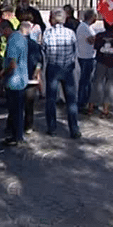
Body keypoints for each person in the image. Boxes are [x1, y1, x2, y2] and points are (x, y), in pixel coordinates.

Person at [43, 8, 81, 139]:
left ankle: (52, 127)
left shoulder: (47, 33)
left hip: (53, 67)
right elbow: (74, 50)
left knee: (51, 99)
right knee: (71, 99)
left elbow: (44, 50)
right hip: (67, 68)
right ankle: (74, 128)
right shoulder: (70, 33)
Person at [88, 21, 113, 118]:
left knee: (96, 83)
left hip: (100, 61)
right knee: (110, 85)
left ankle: (91, 106)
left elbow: (96, 47)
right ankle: (105, 109)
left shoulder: (99, 36)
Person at [1, 20, 28, 146]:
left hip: (14, 80)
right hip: (22, 78)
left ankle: (17, 136)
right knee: (18, 109)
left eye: (2, 32)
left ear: (6, 29)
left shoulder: (12, 41)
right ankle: (16, 134)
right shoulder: (21, 37)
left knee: (15, 110)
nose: (3, 36)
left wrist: (2, 73)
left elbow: (12, 63)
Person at [20, 22, 43, 134]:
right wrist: (37, 73)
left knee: (17, 104)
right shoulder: (35, 44)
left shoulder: (17, 43)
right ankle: (28, 126)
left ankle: (16, 126)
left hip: (19, 77)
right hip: (31, 78)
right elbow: (39, 62)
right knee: (29, 105)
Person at [76, 9, 97, 113]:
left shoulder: (87, 27)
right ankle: (81, 102)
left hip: (87, 56)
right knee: (85, 81)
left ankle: (87, 101)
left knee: (87, 80)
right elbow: (91, 40)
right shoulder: (84, 27)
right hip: (85, 57)